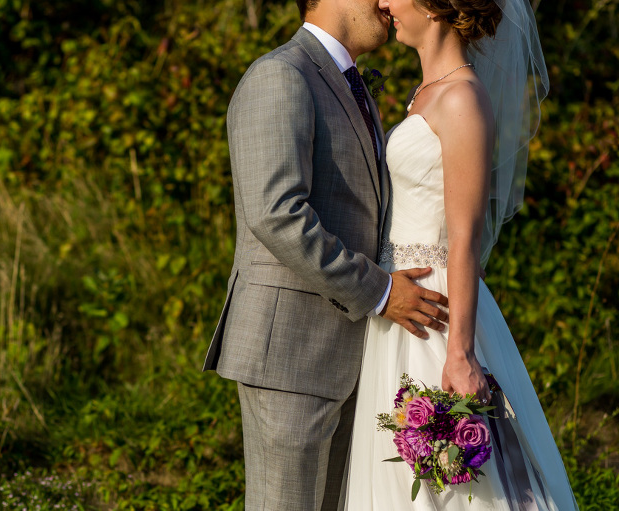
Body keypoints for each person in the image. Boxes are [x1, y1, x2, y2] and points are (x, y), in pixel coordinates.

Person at [202, 1, 453, 509]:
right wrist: (381, 291)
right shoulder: (280, 75)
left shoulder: (350, 82)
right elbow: (276, 214)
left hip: (350, 351)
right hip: (291, 354)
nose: (387, 1)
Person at [340, 0, 579, 509]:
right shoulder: (423, 94)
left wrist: (461, 354)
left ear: (432, 6)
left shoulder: (462, 100)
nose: (383, 4)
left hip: (440, 312)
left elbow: (464, 238)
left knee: (456, 484)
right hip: (402, 301)